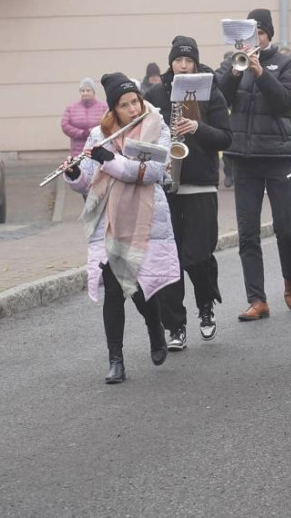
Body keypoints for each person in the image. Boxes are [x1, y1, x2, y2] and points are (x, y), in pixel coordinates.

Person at [62, 73, 178, 384]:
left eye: (135, 102)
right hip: (109, 218)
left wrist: (109, 159)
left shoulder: (157, 127)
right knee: (114, 289)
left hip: (144, 216)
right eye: (124, 105)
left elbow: (151, 171)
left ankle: (155, 327)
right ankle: (116, 360)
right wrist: (74, 172)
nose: (132, 109)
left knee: (139, 287)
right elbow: (87, 180)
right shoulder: (99, 133)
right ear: (113, 109)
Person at [215, 8, 291, 320]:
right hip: (243, 156)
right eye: (249, 37)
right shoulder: (231, 62)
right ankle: (257, 299)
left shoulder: (289, 64)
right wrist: (235, 72)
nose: (254, 41)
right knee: (248, 232)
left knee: (286, 227)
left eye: (260, 35)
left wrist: (260, 72)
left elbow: (284, 101)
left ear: (268, 35)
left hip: (279, 155)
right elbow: (220, 100)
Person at [145, 36, 233, 349]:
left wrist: (197, 128)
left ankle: (206, 307)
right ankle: (175, 326)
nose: (183, 65)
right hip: (166, 187)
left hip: (200, 184)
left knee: (198, 255)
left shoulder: (210, 91)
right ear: (171, 61)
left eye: (189, 61)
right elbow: (142, 132)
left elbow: (226, 138)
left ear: (195, 63)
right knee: (170, 260)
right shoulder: (156, 93)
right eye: (178, 60)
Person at [61, 78, 109, 158]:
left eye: (88, 90)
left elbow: (108, 122)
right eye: (83, 91)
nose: (85, 93)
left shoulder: (104, 107)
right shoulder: (71, 107)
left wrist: (92, 132)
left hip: (98, 147)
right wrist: (82, 133)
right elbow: (65, 125)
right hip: (77, 150)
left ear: (93, 92)